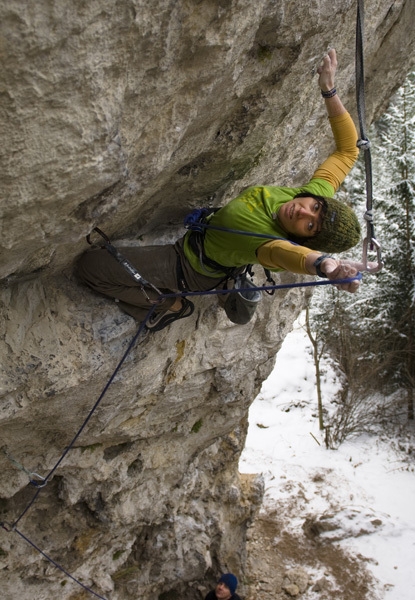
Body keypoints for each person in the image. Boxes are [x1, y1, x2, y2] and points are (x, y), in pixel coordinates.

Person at [77, 49, 367, 331]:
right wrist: (328, 89)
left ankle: (167, 306)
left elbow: (293, 256)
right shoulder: (309, 195)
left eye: (309, 225)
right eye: (315, 207)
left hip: (187, 266)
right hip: (214, 247)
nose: (303, 211)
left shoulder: (270, 244)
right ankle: (227, 280)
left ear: (302, 237)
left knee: (90, 267)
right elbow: (346, 152)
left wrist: (325, 265)